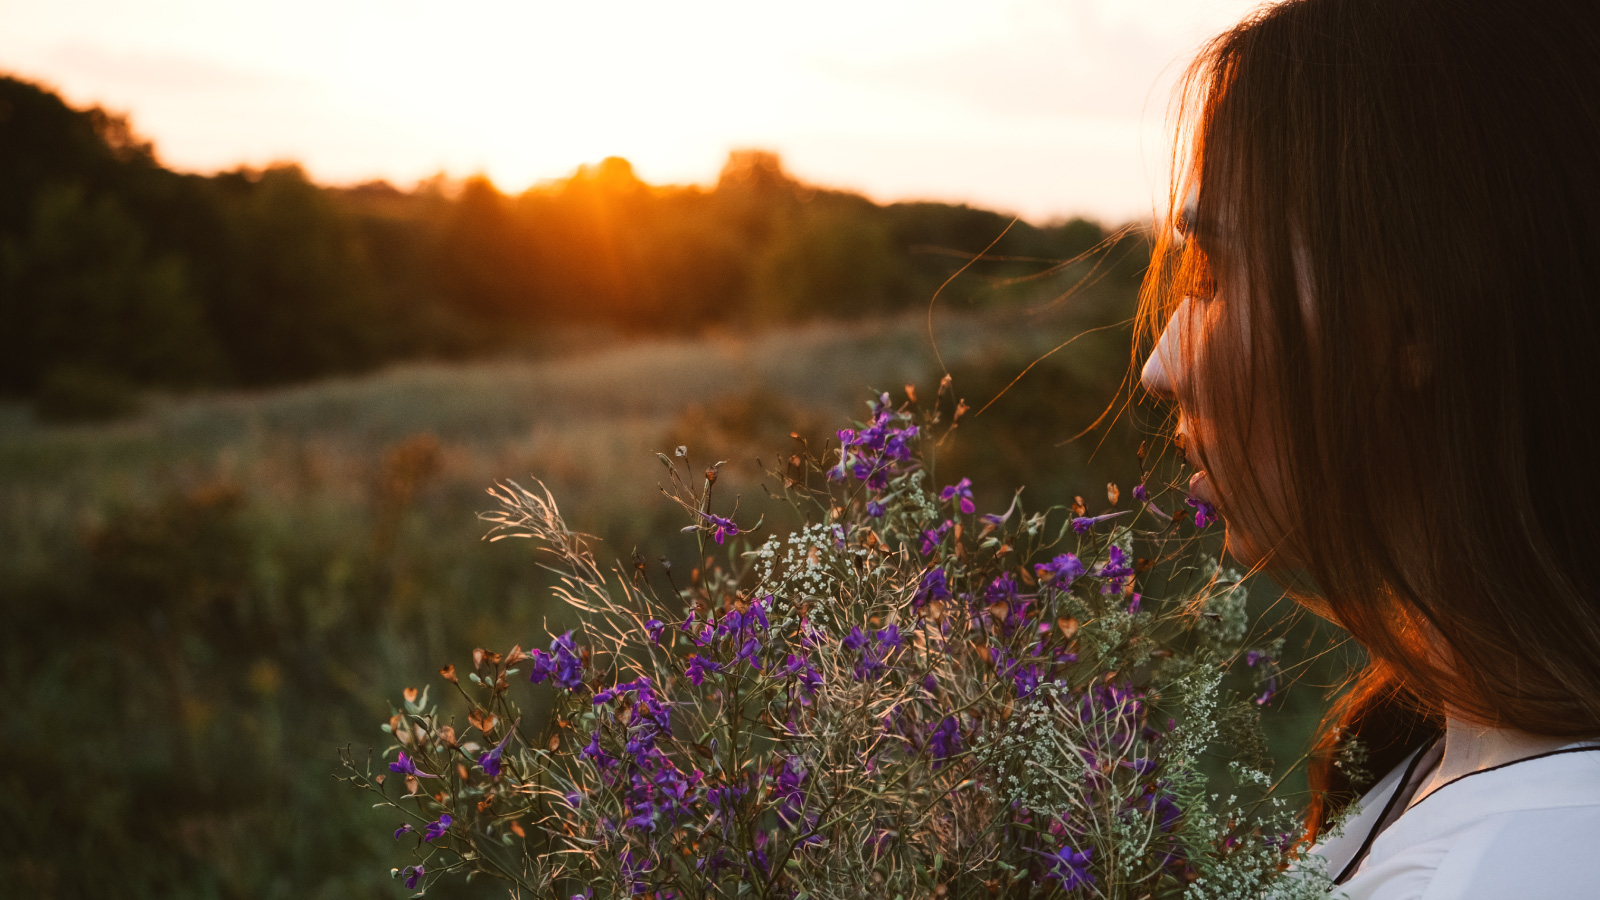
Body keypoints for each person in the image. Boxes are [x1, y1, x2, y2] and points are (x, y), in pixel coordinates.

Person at [1136, 0, 1600, 896]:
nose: (1161, 366)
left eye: (1214, 274)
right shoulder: (1452, 759)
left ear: (1418, 314)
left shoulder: (1505, 868)